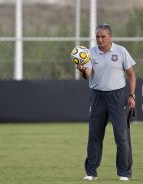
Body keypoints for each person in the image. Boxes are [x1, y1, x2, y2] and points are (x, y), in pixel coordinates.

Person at [76, 24, 136, 181]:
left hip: (118, 97)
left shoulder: (121, 51)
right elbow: (87, 75)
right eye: (97, 37)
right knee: (94, 136)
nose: (100, 39)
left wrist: (131, 96)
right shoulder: (89, 53)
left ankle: (124, 173)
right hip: (97, 97)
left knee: (121, 136)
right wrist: (82, 69)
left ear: (110, 37)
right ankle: (91, 172)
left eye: (103, 36)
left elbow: (131, 74)